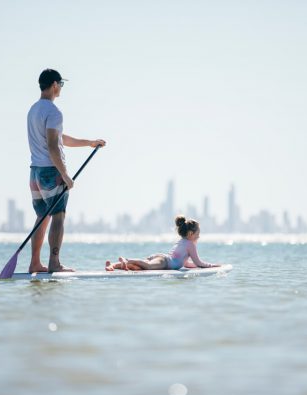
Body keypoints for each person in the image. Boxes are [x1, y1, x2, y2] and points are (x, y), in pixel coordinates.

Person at [28, 68, 106, 273]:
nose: (61, 88)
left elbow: (60, 139)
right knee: (58, 215)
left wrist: (90, 143)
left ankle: (34, 263)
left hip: (35, 172)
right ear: (54, 85)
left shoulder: (33, 110)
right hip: (51, 172)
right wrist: (64, 175)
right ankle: (54, 263)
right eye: (60, 84)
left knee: (41, 217)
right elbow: (53, 145)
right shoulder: (53, 112)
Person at [105, 215, 220, 271]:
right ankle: (127, 260)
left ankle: (114, 266)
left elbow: (186, 264)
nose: (199, 236)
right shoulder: (190, 245)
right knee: (148, 266)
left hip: (162, 258)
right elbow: (198, 262)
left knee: (139, 267)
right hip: (165, 262)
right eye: (198, 234)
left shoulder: (182, 242)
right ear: (191, 234)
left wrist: (196, 266)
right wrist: (212, 266)